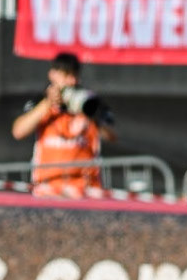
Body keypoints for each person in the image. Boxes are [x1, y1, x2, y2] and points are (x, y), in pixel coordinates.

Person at [11, 51, 117, 198]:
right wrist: (48, 103)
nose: (72, 81)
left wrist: (92, 115)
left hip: (85, 191)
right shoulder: (41, 101)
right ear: (53, 74)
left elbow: (112, 135)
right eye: (67, 75)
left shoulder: (89, 100)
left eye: (74, 76)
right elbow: (18, 131)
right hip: (48, 189)